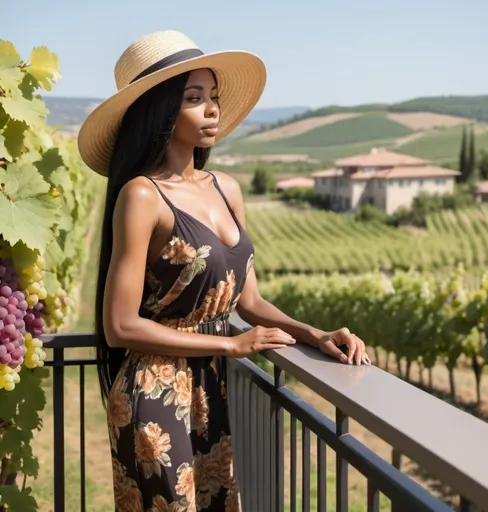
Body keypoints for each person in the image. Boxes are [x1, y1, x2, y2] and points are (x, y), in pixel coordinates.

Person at [77, 29, 370, 512]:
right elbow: (120, 325)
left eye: (213, 96)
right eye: (195, 98)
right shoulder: (143, 196)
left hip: (211, 389)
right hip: (154, 394)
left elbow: (249, 302)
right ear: (161, 109)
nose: (212, 109)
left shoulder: (227, 189)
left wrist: (312, 334)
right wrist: (230, 345)